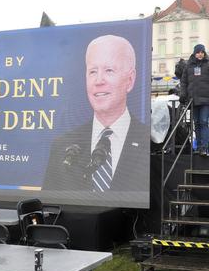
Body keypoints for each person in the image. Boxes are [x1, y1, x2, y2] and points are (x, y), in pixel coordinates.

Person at [43, 35, 147, 193]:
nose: (99, 81)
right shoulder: (61, 147)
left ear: (130, 80)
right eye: (92, 71)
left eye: (109, 70)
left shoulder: (148, 142)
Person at [180, 44, 209, 156]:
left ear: (204, 53)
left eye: (202, 52)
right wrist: (183, 95)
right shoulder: (188, 67)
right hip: (193, 100)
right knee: (196, 123)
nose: (200, 54)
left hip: (206, 100)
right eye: (198, 52)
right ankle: (198, 147)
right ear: (194, 53)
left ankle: (204, 147)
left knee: (203, 122)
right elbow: (183, 82)